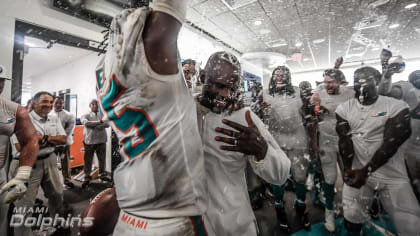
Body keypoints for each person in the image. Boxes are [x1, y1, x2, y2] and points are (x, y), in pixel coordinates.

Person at [94, 1, 207, 235]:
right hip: (173, 213)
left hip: (130, 211)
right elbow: (170, 9)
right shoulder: (153, 45)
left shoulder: (101, 70)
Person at [195, 51, 291, 235]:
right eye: (219, 86)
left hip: (233, 225)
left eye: (232, 88)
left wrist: (262, 151)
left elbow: (281, 174)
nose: (225, 95)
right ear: (202, 77)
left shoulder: (242, 118)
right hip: (189, 225)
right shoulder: (183, 108)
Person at [336, 67, 420, 236]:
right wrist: (347, 169)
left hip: (392, 175)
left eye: (365, 82)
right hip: (358, 171)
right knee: (351, 218)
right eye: (356, 82)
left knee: (410, 226)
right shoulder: (345, 108)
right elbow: (345, 141)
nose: (360, 86)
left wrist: (366, 171)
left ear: (378, 82)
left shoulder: (396, 106)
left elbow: (390, 144)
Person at [9, 91, 67, 236]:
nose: (48, 105)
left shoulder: (53, 118)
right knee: (25, 205)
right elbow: (20, 147)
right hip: (28, 164)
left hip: (50, 160)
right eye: (44, 102)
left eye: (50, 102)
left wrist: (42, 138)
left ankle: (57, 222)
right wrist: (50, 140)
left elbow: (63, 139)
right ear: (34, 103)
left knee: (57, 195)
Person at [260, 66, 311, 232]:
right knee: (278, 177)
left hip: (299, 139)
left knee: (300, 177)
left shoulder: (298, 91)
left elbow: (308, 115)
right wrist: (262, 110)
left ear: (289, 77)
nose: (280, 77)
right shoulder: (265, 93)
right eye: (277, 75)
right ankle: (279, 209)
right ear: (272, 77)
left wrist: (314, 142)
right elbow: (258, 117)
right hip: (275, 140)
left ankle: (301, 208)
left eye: (283, 75)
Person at [309, 58, 354, 232]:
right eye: (325, 81)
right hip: (326, 140)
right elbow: (312, 113)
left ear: (340, 82)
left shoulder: (350, 93)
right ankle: (329, 212)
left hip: (346, 141)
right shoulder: (319, 91)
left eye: (331, 82)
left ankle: (352, 209)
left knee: (349, 175)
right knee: (329, 179)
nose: (326, 85)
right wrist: (316, 108)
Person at [0, 74, 39, 236]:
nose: (0, 84)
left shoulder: (13, 110)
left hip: (0, 176)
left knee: (1, 221)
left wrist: (23, 174)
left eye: (1, 80)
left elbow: (31, 139)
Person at [80, 99, 109, 188]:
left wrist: (95, 125)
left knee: (102, 159)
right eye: (93, 104)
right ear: (90, 106)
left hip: (101, 140)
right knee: (88, 160)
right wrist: (100, 123)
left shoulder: (103, 114)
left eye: (96, 104)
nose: (95, 106)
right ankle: (87, 178)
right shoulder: (86, 115)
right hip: (89, 141)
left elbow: (107, 124)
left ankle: (102, 175)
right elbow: (87, 124)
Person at [51, 96, 75, 188]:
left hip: (64, 143)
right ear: (53, 103)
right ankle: (52, 181)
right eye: (56, 102)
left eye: (60, 103)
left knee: (65, 162)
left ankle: (67, 180)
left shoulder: (69, 115)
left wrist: (60, 138)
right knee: (52, 163)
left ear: (63, 104)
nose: (58, 104)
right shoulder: (48, 114)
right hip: (51, 143)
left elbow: (69, 128)